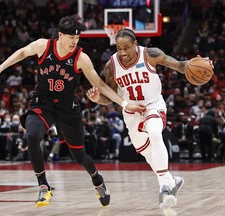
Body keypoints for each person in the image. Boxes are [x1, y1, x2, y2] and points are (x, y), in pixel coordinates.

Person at [0, 15, 146, 208]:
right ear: (60, 35)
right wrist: (1, 68)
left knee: (79, 156)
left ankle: (97, 180)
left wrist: (125, 104)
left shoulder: (81, 58)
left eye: (77, 38)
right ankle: (43, 186)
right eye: (71, 37)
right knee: (32, 135)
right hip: (42, 103)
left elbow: (101, 86)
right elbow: (22, 52)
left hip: (67, 109)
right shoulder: (42, 46)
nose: (74, 42)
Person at [86, 28, 212, 209]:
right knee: (147, 153)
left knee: (154, 133)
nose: (122, 52)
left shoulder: (151, 55)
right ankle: (172, 181)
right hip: (131, 113)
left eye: (126, 48)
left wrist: (201, 62)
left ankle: (163, 188)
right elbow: (111, 96)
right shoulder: (111, 66)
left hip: (153, 105)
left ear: (135, 44)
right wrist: (97, 98)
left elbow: (181, 66)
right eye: (119, 48)